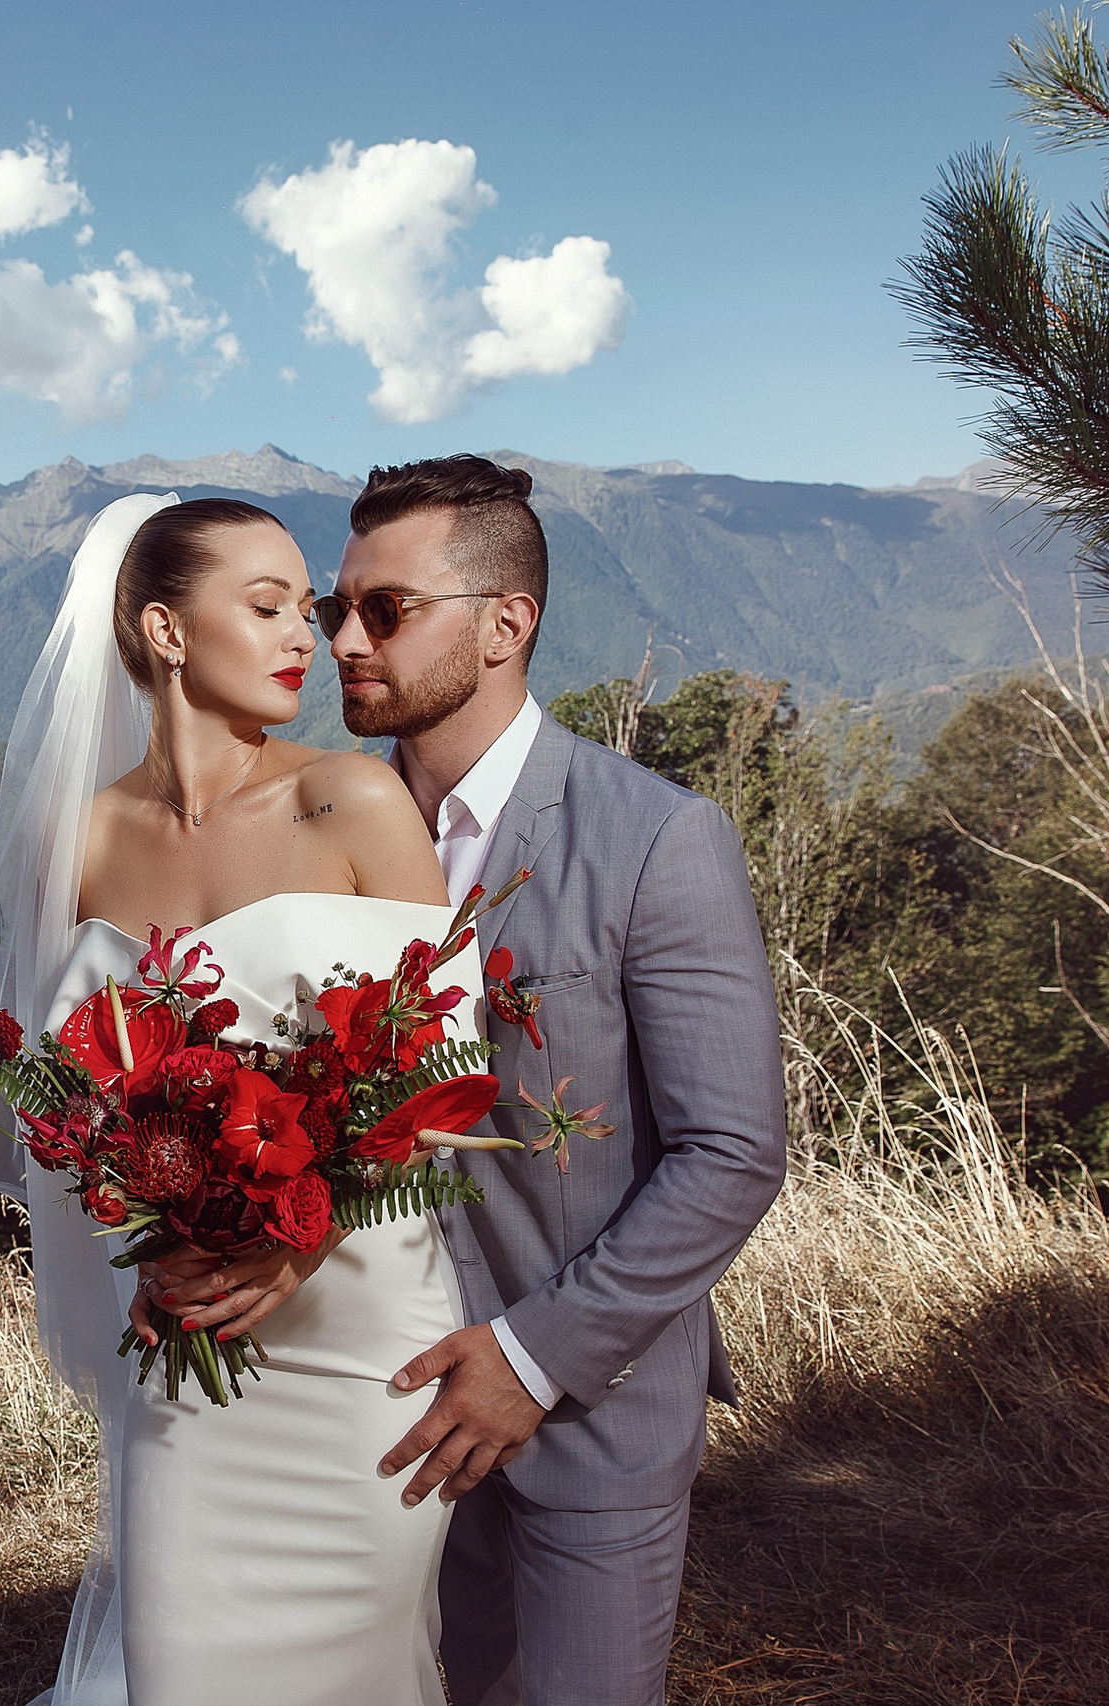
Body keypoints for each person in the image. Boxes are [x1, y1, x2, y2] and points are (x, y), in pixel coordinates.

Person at [0, 490, 486, 1706]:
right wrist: (147, 1222)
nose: (309, 636)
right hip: (185, 1337)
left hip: (361, 1354)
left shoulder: (349, 801)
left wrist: (293, 1246)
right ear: (164, 630)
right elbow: (59, 1105)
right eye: (266, 607)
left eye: (305, 608)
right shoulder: (75, 842)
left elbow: (446, 1078)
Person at [326, 456, 788, 1706]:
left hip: (587, 1418)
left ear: (503, 625)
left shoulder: (654, 837)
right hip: (363, 1409)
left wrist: (531, 1360)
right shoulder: (320, 839)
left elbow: (732, 1152)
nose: (344, 640)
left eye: (385, 610)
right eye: (335, 610)